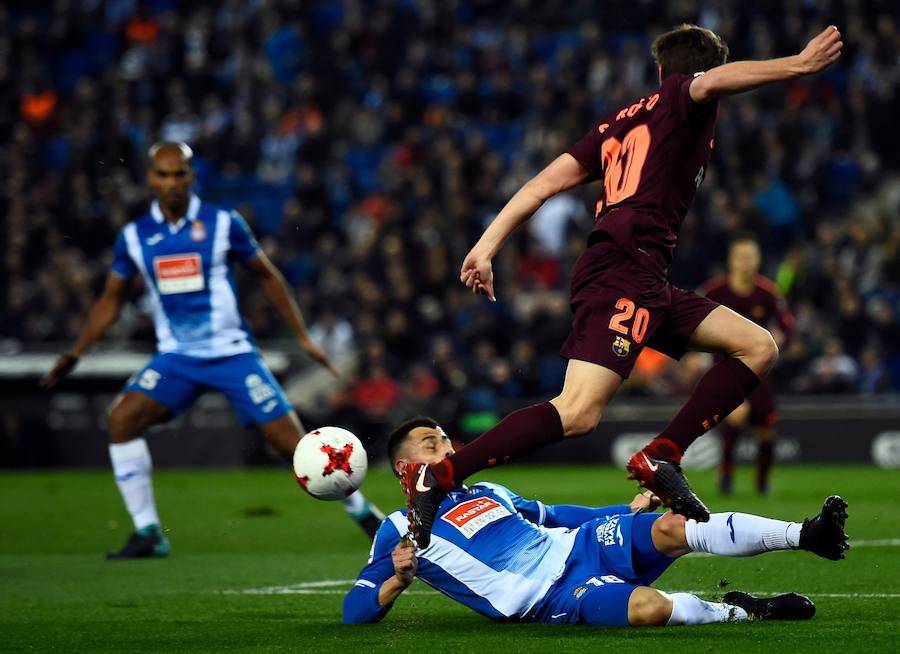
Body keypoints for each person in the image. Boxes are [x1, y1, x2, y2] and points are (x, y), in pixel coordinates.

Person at [403, 24, 843, 547]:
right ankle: (440, 476)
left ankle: (663, 454)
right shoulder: (682, 97)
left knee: (756, 346)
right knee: (577, 412)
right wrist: (799, 64)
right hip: (621, 271)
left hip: (645, 276)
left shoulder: (614, 125)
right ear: (686, 74)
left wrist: (486, 244)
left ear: (658, 69)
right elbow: (711, 83)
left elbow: (542, 184)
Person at [40, 142, 383, 559]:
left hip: (232, 354)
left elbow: (267, 277)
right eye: (163, 175)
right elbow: (111, 300)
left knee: (296, 447)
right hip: (178, 358)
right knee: (121, 420)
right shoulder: (134, 236)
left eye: (179, 174)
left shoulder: (223, 223)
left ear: (191, 176)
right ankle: (149, 531)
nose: (171, 183)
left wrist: (303, 337)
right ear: (150, 178)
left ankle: (365, 513)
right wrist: (76, 352)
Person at [344, 417, 849, 627]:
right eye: (432, 445)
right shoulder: (397, 528)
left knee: (674, 525)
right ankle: (741, 611)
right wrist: (394, 580)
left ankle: (808, 534)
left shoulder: (487, 489)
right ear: (403, 467)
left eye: (447, 441)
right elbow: (354, 610)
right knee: (649, 610)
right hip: (551, 596)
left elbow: (558, 517)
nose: (449, 448)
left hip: (579, 544)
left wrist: (621, 511)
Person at [698, 235, 794, 495]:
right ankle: (726, 475)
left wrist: (782, 336)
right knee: (736, 415)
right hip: (727, 368)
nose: (745, 263)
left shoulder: (768, 293)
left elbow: (785, 323)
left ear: (758, 260)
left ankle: (762, 481)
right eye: (740, 257)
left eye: (750, 257)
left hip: (761, 372)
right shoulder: (714, 292)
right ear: (731, 260)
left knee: (766, 431)